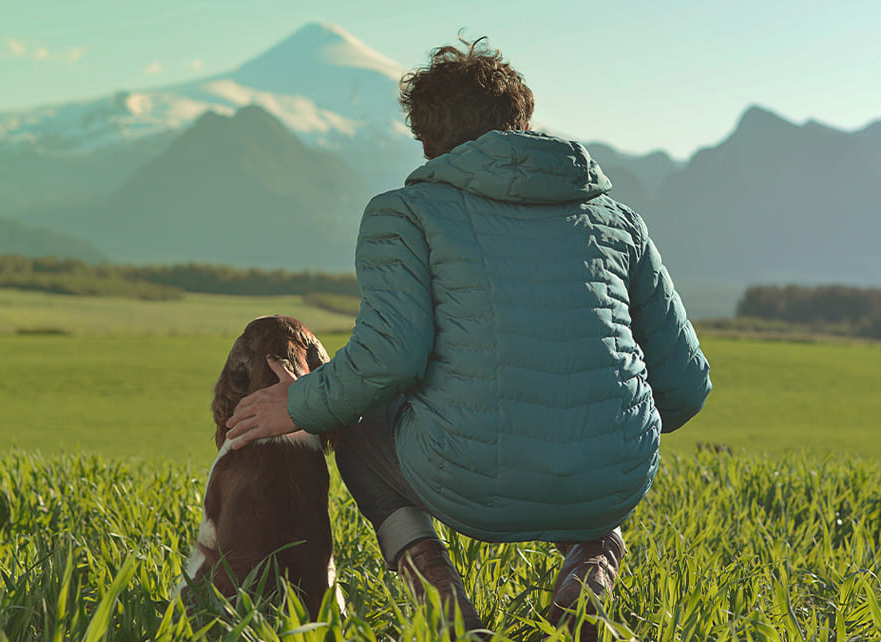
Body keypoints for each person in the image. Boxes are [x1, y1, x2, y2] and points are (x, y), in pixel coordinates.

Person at [226, 37, 712, 638]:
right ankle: (588, 579)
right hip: (613, 478)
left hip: (463, 478)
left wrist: (295, 403)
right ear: (523, 124)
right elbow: (687, 385)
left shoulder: (403, 213)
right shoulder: (619, 220)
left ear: (426, 139)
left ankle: (446, 608)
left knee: (359, 419)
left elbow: (389, 358)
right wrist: (592, 433)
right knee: (596, 456)